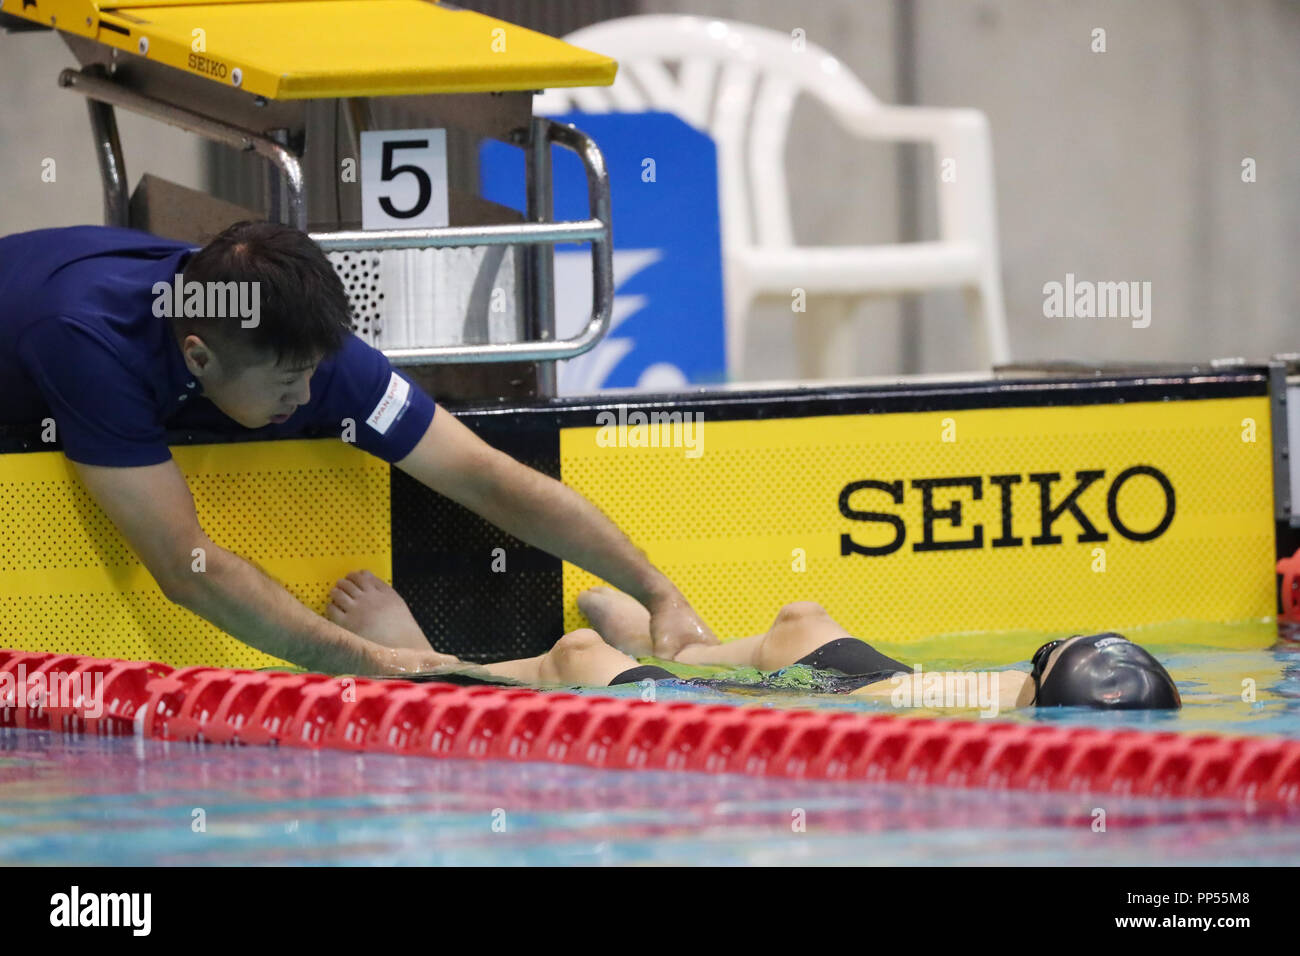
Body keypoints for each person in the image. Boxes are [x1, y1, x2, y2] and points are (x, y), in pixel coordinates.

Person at [0, 222, 717, 674]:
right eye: (288, 382)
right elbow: (189, 570)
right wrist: (378, 662)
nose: (311, 399)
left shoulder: (300, 345)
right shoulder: (90, 347)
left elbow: (486, 478)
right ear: (198, 359)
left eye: (315, 372)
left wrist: (657, 591)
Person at [329, 576, 1182, 711]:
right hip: (870, 689)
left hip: (823, 717)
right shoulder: (1108, 693)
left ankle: (419, 662)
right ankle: (685, 648)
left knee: (580, 659)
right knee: (801, 622)